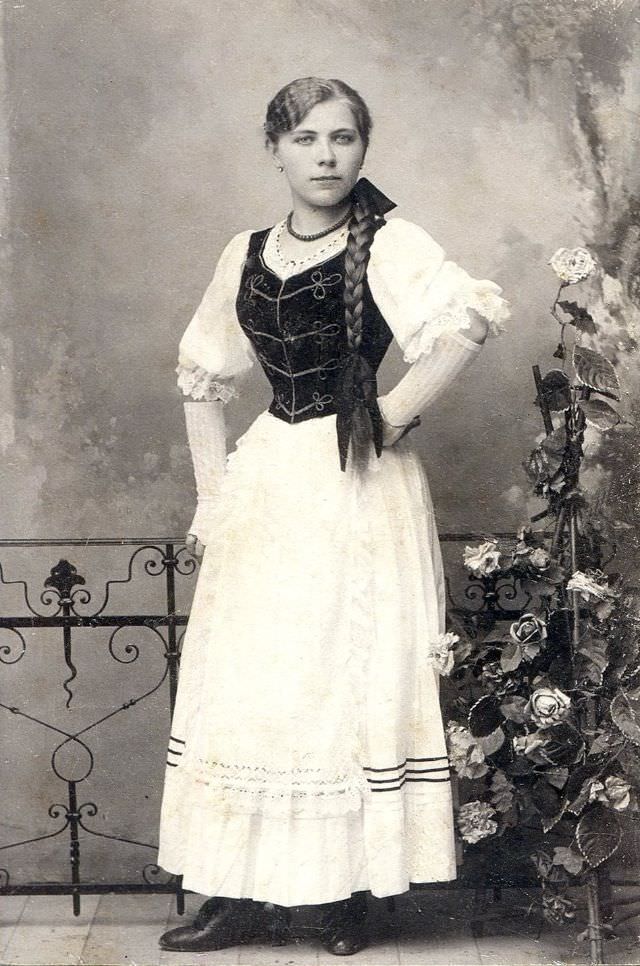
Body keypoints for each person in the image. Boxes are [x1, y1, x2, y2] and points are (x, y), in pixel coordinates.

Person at [156, 77, 509, 956]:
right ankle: (243, 892)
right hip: (272, 481)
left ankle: (347, 894)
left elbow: (465, 318)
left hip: (355, 482)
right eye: (306, 139)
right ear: (274, 148)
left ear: (363, 149)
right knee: (256, 677)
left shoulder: (387, 241)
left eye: (343, 139)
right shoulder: (243, 252)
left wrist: (388, 417)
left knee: (339, 678)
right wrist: (214, 499)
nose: (325, 156)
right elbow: (203, 374)